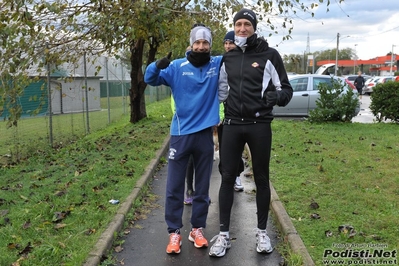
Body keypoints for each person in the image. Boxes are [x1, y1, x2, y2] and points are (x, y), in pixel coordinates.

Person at [209, 8, 293, 257]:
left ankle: (262, 232)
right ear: (234, 28)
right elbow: (221, 92)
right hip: (233, 125)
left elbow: (286, 91)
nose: (242, 29)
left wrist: (274, 97)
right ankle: (223, 235)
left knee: (262, 179)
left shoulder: (269, 55)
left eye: (247, 24)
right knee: (226, 177)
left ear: (254, 27)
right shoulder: (229, 58)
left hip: (259, 126)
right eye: (238, 25)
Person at [144, 24, 223, 254]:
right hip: (181, 135)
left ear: (210, 45)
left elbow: (237, 55)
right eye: (197, 43)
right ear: (191, 44)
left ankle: (196, 228)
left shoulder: (216, 64)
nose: (200, 47)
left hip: (205, 137)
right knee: (175, 186)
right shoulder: (177, 66)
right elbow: (149, 78)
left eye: (205, 43)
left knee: (202, 187)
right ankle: (174, 232)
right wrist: (157, 64)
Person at [218, 30, 245, 192]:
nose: (228, 46)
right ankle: (226, 177)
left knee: (237, 148)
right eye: (226, 43)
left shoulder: (244, 60)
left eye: (231, 43)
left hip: (241, 114)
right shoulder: (221, 62)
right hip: (224, 112)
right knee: (224, 148)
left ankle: (236, 175)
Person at [170, 96, 195, 205]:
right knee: (189, 161)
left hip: (203, 124)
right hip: (186, 126)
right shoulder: (180, 80)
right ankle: (189, 190)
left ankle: (202, 193)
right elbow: (174, 102)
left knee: (202, 162)